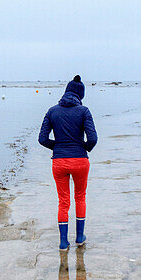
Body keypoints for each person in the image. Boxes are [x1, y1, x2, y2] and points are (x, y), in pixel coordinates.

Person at [38, 75, 97, 250]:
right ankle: (80, 237)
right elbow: (93, 139)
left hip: (59, 162)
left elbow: (42, 139)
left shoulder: (52, 111)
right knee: (80, 198)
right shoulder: (84, 111)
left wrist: (57, 148)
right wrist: (83, 148)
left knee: (63, 201)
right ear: (80, 95)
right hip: (80, 161)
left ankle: (63, 242)